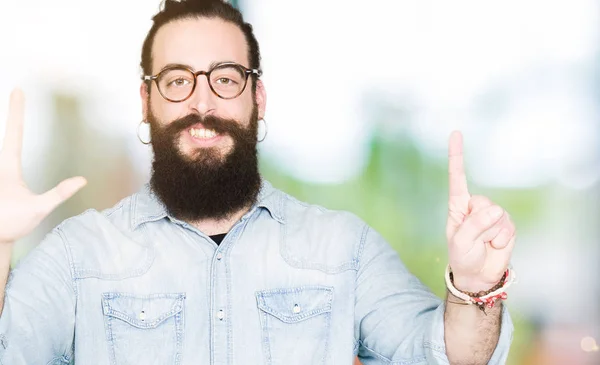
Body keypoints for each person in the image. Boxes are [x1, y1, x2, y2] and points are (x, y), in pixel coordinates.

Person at [0, 0, 517, 364]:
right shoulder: (76, 256)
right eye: (178, 80)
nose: (201, 103)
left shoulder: (343, 249)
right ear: (146, 103)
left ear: (258, 98)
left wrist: (474, 288)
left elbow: (446, 357)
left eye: (224, 78)